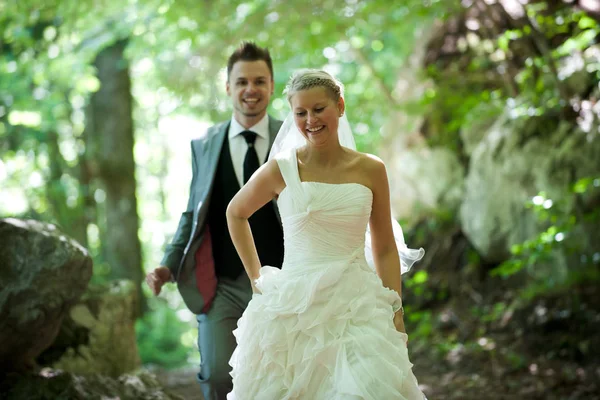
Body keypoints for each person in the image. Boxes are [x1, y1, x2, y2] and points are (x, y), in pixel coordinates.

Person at [225, 69, 426, 399]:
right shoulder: (282, 168)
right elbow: (236, 212)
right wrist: (256, 277)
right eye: (300, 113)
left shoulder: (371, 169)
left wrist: (396, 309)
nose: (310, 120)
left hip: (357, 303)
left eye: (319, 109)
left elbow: (386, 248)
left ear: (340, 106)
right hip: (294, 305)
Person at [145, 42, 285, 400]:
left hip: (284, 282)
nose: (250, 90)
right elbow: (193, 212)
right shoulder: (205, 144)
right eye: (241, 82)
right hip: (222, 284)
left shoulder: (294, 138)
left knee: (281, 379)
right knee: (219, 377)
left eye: (259, 81)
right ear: (227, 87)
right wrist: (168, 264)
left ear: (272, 85)